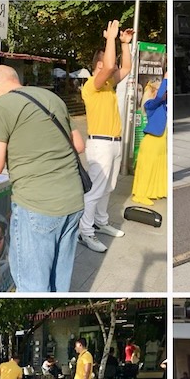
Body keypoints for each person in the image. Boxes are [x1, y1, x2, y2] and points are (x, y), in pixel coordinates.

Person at [0, 65, 85, 292]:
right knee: (59, 281)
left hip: (37, 205)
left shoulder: (3, 105)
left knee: (33, 285)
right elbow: (79, 145)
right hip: (73, 202)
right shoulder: (52, 98)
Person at [77, 20, 135, 254]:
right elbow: (112, 66)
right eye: (108, 61)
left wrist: (124, 44)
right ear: (99, 64)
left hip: (113, 143)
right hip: (100, 143)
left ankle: (100, 221)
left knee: (108, 187)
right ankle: (85, 231)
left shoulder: (109, 84)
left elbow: (127, 67)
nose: (113, 65)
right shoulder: (92, 85)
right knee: (95, 190)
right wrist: (110, 38)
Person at [131, 66, 168, 205]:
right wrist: (166, 79)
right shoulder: (149, 104)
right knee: (147, 168)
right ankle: (140, 194)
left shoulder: (163, 105)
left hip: (160, 140)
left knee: (157, 168)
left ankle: (154, 191)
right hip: (152, 141)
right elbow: (160, 97)